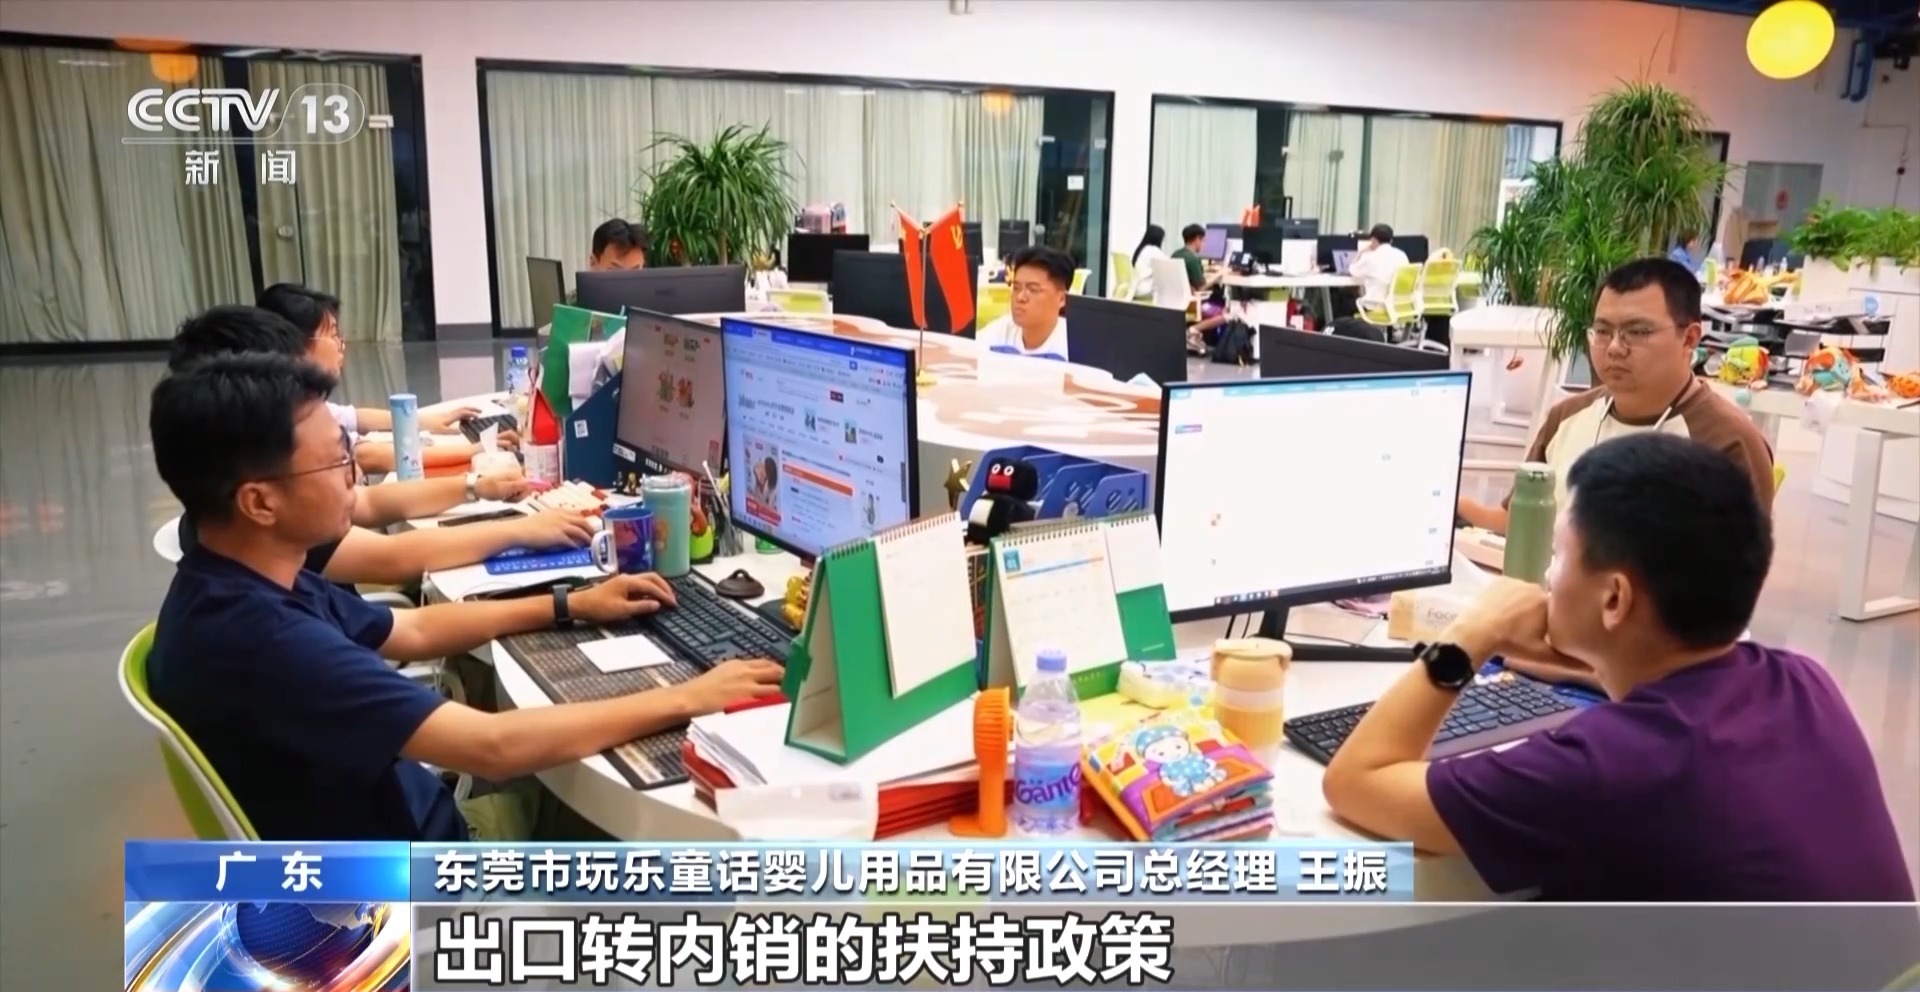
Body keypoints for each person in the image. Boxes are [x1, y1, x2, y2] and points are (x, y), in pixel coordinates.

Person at [146, 353, 785, 840]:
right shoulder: (269, 642)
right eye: (335, 463)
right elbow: (492, 746)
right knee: (657, 830)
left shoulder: (240, 579)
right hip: (417, 883)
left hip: (387, 820)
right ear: (258, 502)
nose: (354, 478)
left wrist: (568, 604)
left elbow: (411, 632)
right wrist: (689, 696)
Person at [1323, 433, 1912, 901]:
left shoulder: (1608, 766)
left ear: (1614, 598)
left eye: (1559, 555)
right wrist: (1590, 663)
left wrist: (1470, 634)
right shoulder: (1805, 682)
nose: (1547, 575)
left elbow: (1354, 783)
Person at [168, 305, 592, 585]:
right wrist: (519, 531)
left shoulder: (234, 504)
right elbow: (393, 559)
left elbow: (368, 502)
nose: (350, 470)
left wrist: (475, 486)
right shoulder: (281, 522)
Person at [1458, 257, 1774, 535]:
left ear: (1689, 338)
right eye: (1603, 331)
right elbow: (1518, 522)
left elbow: (1734, 576)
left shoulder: (1727, 441)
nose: (1614, 348)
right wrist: (1449, 502)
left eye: (1637, 332)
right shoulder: (1566, 417)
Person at [254, 285, 510, 474]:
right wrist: (473, 450)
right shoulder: (291, 415)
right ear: (296, 346)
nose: (342, 345)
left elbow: (354, 416)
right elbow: (369, 455)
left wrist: (426, 421)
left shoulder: (294, 397)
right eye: (333, 335)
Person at [976, 245, 1072, 358]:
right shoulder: (1000, 331)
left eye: (1033, 289)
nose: (1020, 297)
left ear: (1061, 299)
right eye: (1016, 288)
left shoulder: (1074, 345)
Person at [1347, 223, 1411, 302]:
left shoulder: (1370, 257)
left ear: (1373, 239)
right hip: (1399, 303)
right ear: (1391, 240)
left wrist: (1361, 252)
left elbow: (1352, 270)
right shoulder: (1402, 255)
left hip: (1377, 304)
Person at [1128, 224, 1169, 299]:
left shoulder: (1142, 249)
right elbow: (1168, 263)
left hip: (1135, 287)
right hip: (1145, 290)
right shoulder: (1153, 250)